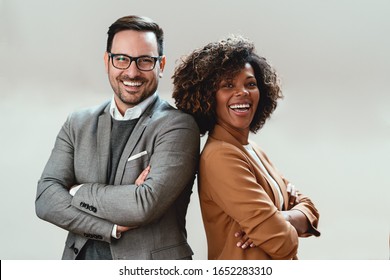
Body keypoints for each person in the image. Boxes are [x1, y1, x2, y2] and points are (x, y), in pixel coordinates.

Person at [35, 15, 200, 260]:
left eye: (145, 60)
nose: (132, 72)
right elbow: (45, 199)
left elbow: (143, 205)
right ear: (107, 61)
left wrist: (76, 190)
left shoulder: (178, 126)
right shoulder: (78, 123)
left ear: (161, 65)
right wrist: (108, 227)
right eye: (121, 59)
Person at [172, 35, 320, 260]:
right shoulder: (220, 156)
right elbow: (281, 242)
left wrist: (281, 218)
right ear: (208, 96)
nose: (242, 92)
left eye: (250, 84)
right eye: (228, 85)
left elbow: (309, 208)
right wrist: (282, 222)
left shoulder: (253, 149)